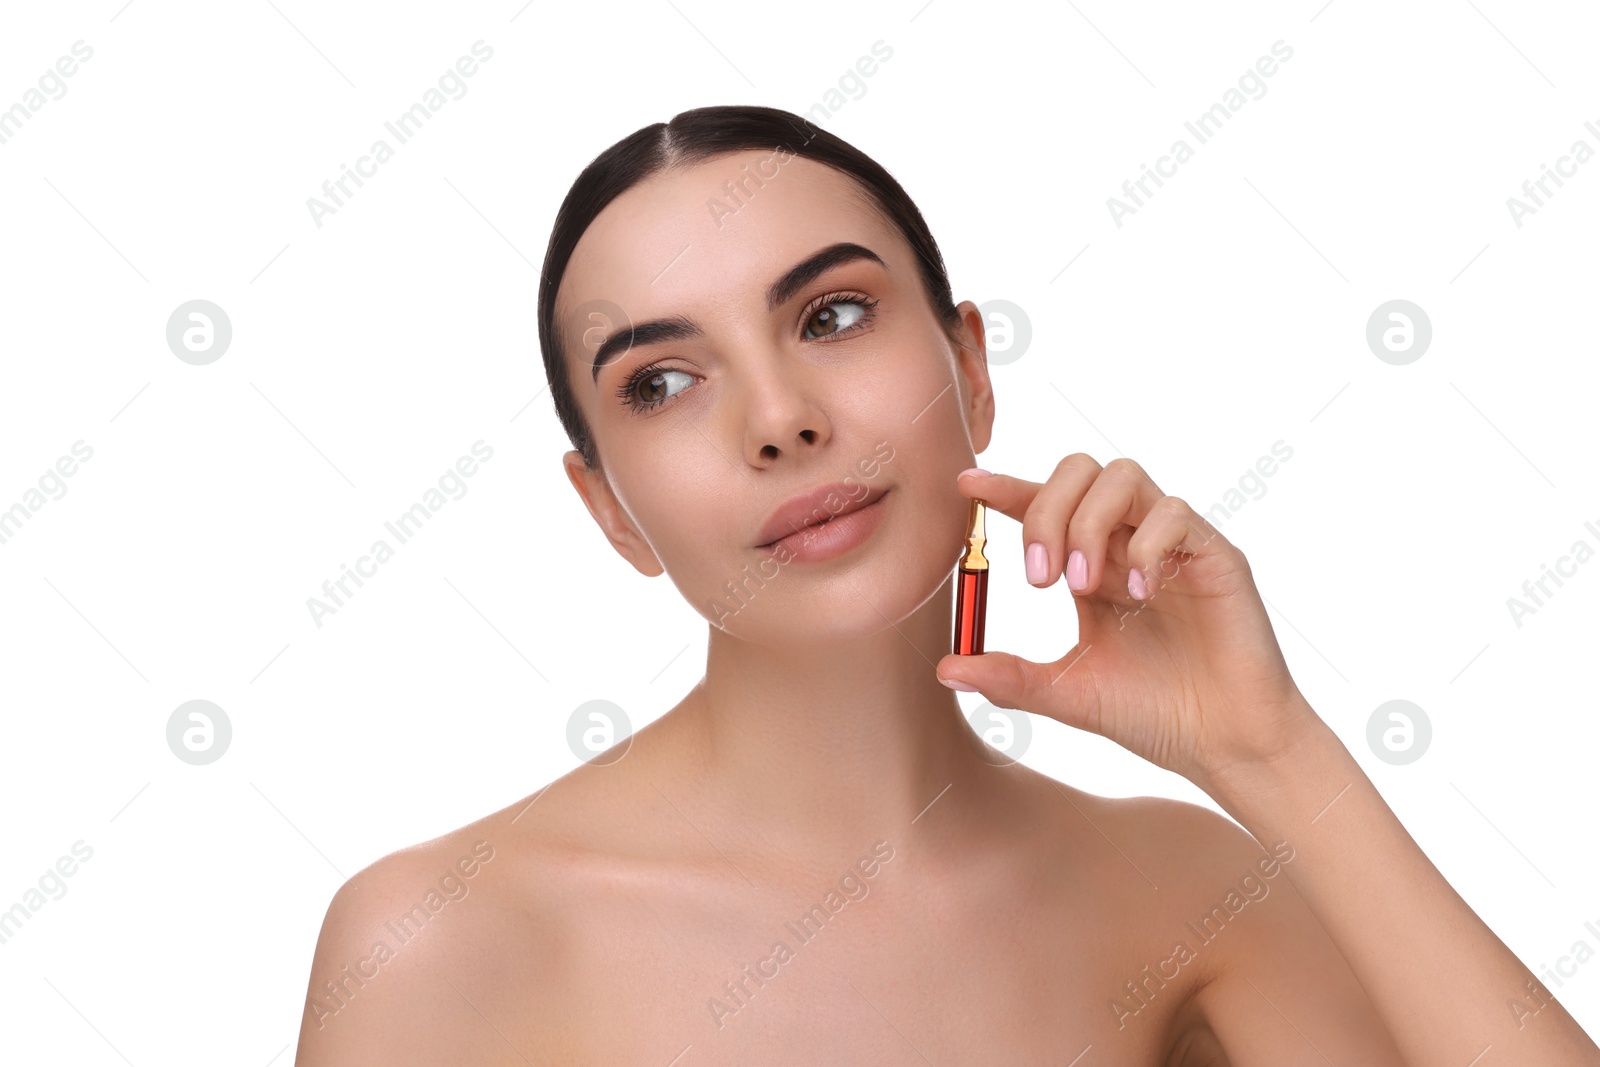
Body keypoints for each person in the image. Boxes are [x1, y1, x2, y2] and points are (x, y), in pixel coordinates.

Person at [293, 105, 1599, 1065]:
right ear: (609, 512)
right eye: (665, 381)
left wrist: (1274, 751)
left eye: (831, 316)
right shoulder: (438, 940)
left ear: (971, 369)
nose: (780, 419)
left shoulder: (1191, 891)